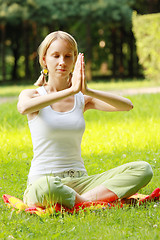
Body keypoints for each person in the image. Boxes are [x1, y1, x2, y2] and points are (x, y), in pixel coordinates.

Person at [17, 31, 153, 209]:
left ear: (75, 60)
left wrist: (87, 91)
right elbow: (24, 108)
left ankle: (81, 201)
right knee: (44, 188)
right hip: (44, 181)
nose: (62, 62)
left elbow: (127, 105)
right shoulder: (33, 94)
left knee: (143, 169)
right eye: (56, 56)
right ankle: (89, 202)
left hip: (81, 182)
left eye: (68, 56)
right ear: (44, 60)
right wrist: (71, 91)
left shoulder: (82, 98)